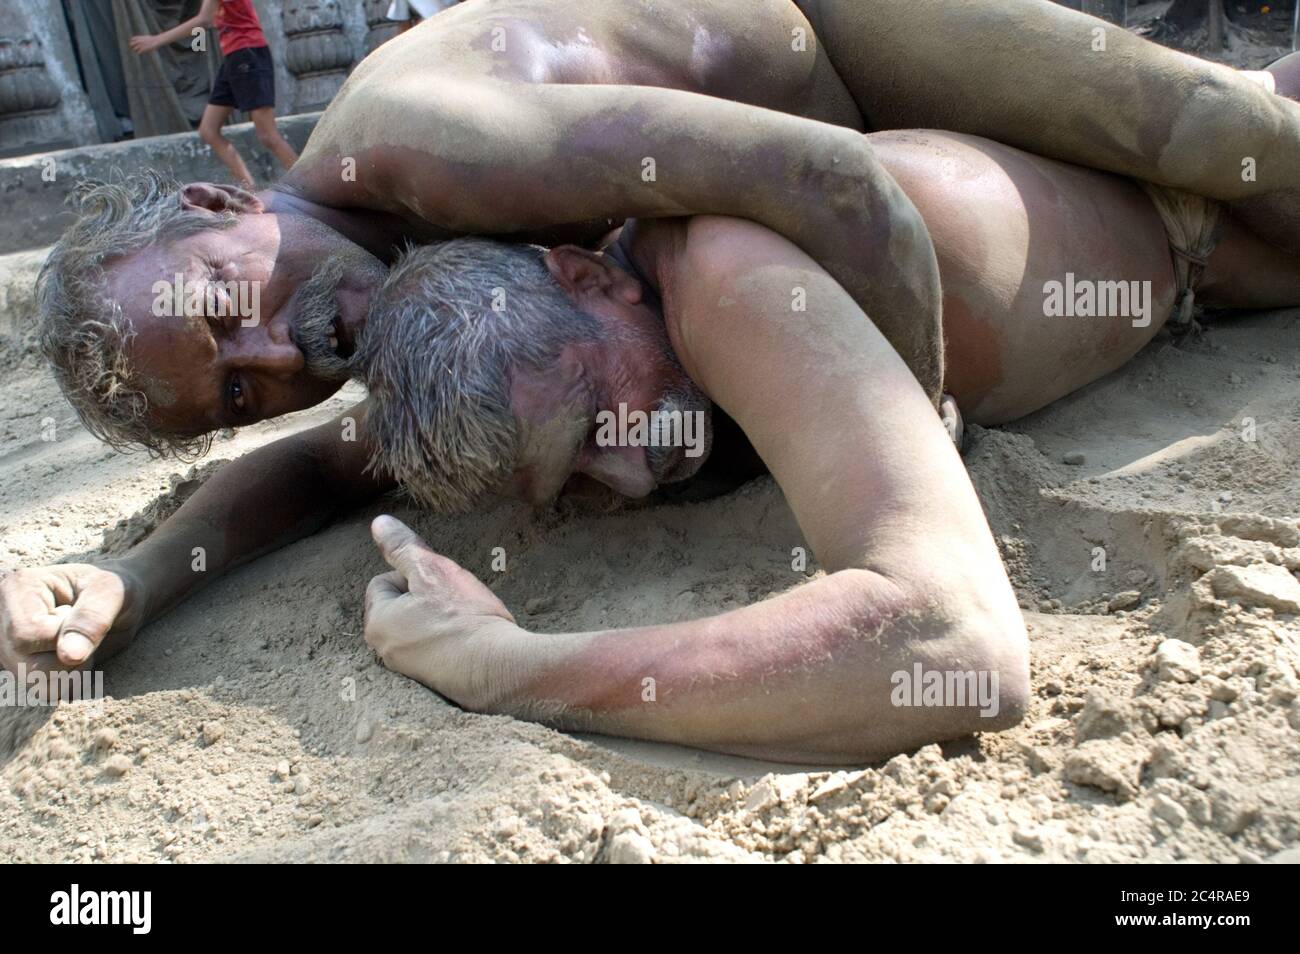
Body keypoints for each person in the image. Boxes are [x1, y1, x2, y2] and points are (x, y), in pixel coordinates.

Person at [11, 122, 1300, 759]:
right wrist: (139, 576)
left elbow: (954, 647)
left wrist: (517, 668)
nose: (635, 468)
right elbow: (313, 469)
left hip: (1213, 211)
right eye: (573, 487)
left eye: (596, 428)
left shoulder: (724, 281)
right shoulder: (510, 357)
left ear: (589, 274)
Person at [130, 0, 298, 191]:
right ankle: (250, 190)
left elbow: (204, 20)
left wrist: (156, 40)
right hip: (233, 57)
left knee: (268, 135)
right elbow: (207, 22)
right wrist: (197, 47)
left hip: (247, 53)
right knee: (208, 130)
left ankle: (305, 186)